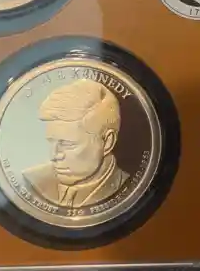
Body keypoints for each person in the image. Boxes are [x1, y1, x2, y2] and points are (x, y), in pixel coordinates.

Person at [23, 79, 130, 208]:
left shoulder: (129, 188)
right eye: (51, 141)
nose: (53, 156)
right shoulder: (31, 181)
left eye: (68, 144)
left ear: (107, 142)